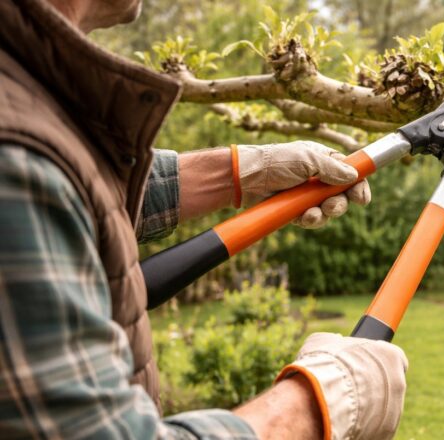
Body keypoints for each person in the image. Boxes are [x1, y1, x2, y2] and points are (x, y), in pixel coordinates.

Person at [0, 0, 408, 439]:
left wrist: (246, 170)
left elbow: (80, 187)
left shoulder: (25, 88)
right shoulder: (16, 161)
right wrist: (319, 402)